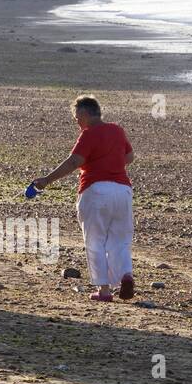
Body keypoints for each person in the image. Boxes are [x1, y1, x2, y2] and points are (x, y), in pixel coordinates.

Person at [27, 94, 135, 302]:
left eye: (77, 117)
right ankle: (126, 275)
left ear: (85, 114)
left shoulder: (89, 134)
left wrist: (47, 180)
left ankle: (104, 291)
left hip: (95, 191)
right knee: (119, 240)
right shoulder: (117, 130)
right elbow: (129, 157)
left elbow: (74, 161)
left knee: (95, 240)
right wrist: (110, 162)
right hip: (122, 191)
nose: (77, 122)